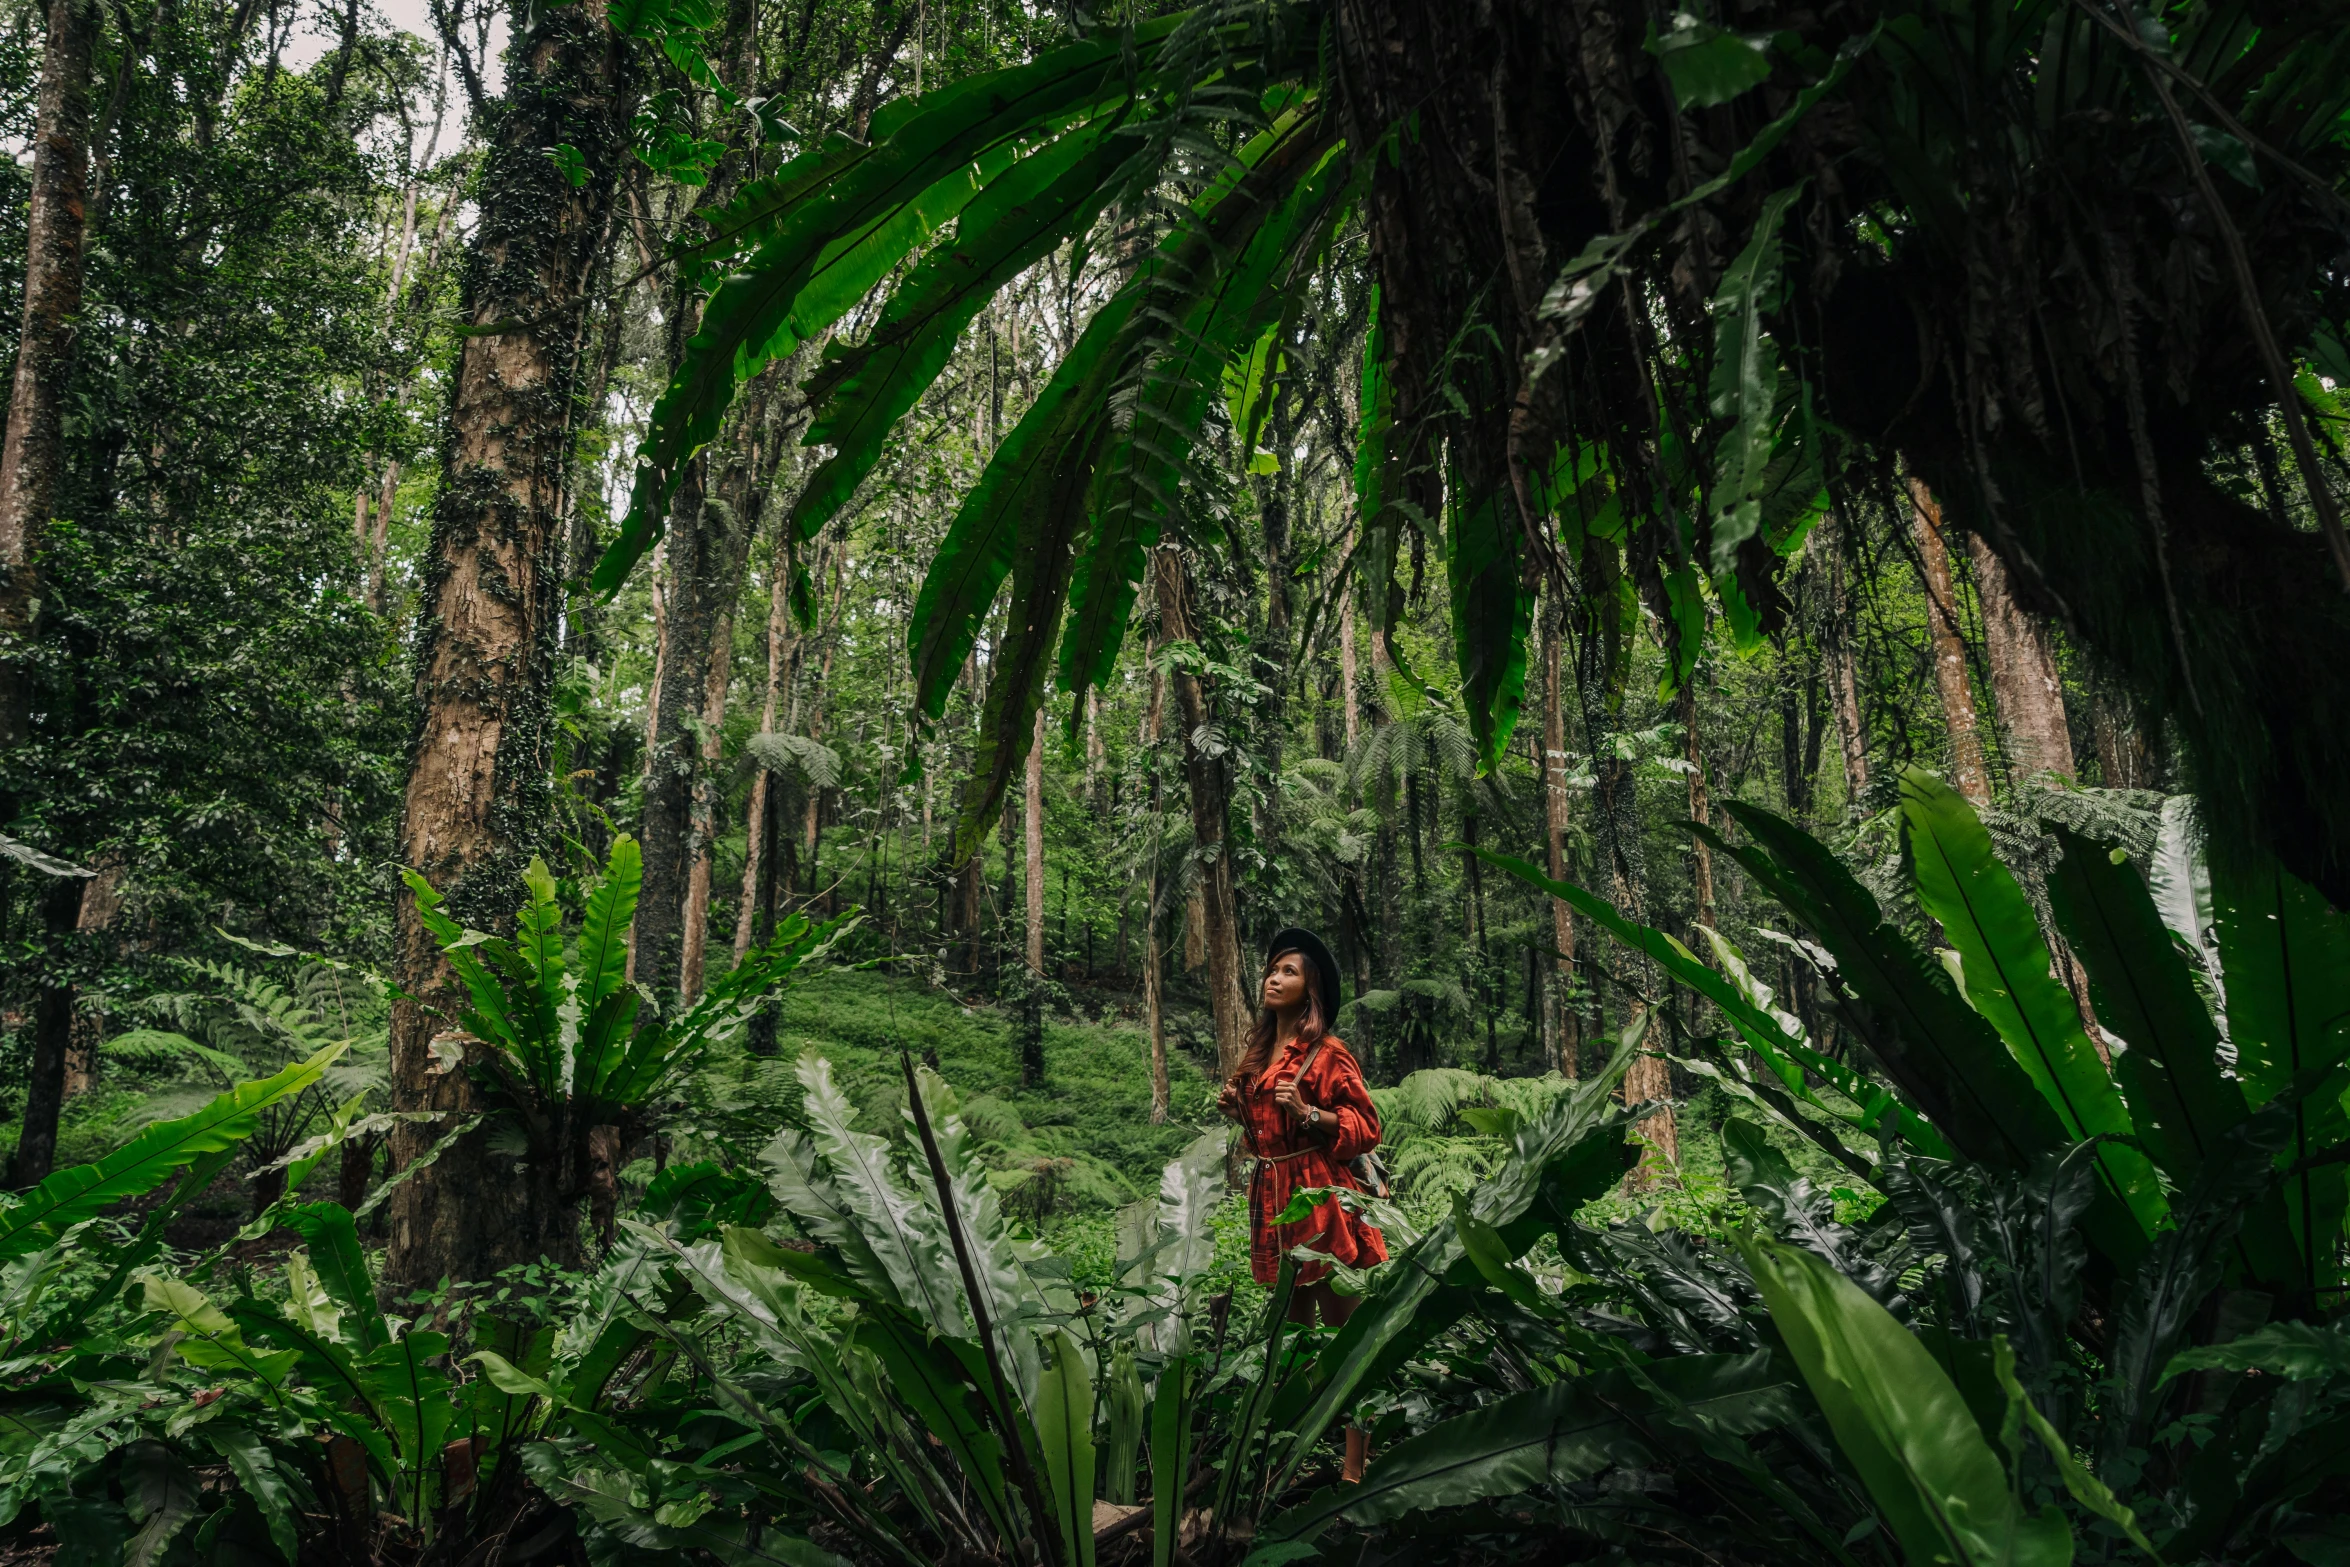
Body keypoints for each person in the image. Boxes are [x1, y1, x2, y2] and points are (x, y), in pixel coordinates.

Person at [1216, 927, 1387, 1322]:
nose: (1274, 978)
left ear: (1311, 989)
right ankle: (1297, 1385)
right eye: (1272, 971)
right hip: (1271, 1191)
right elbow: (1270, 1136)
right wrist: (1239, 1113)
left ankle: (1349, 1385)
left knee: (1339, 1317)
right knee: (1290, 1326)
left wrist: (1307, 1112)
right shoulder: (1260, 1052)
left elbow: (1367, 1127)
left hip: (1318, 1195)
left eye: (1289, 972)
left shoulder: (1328, 1053)